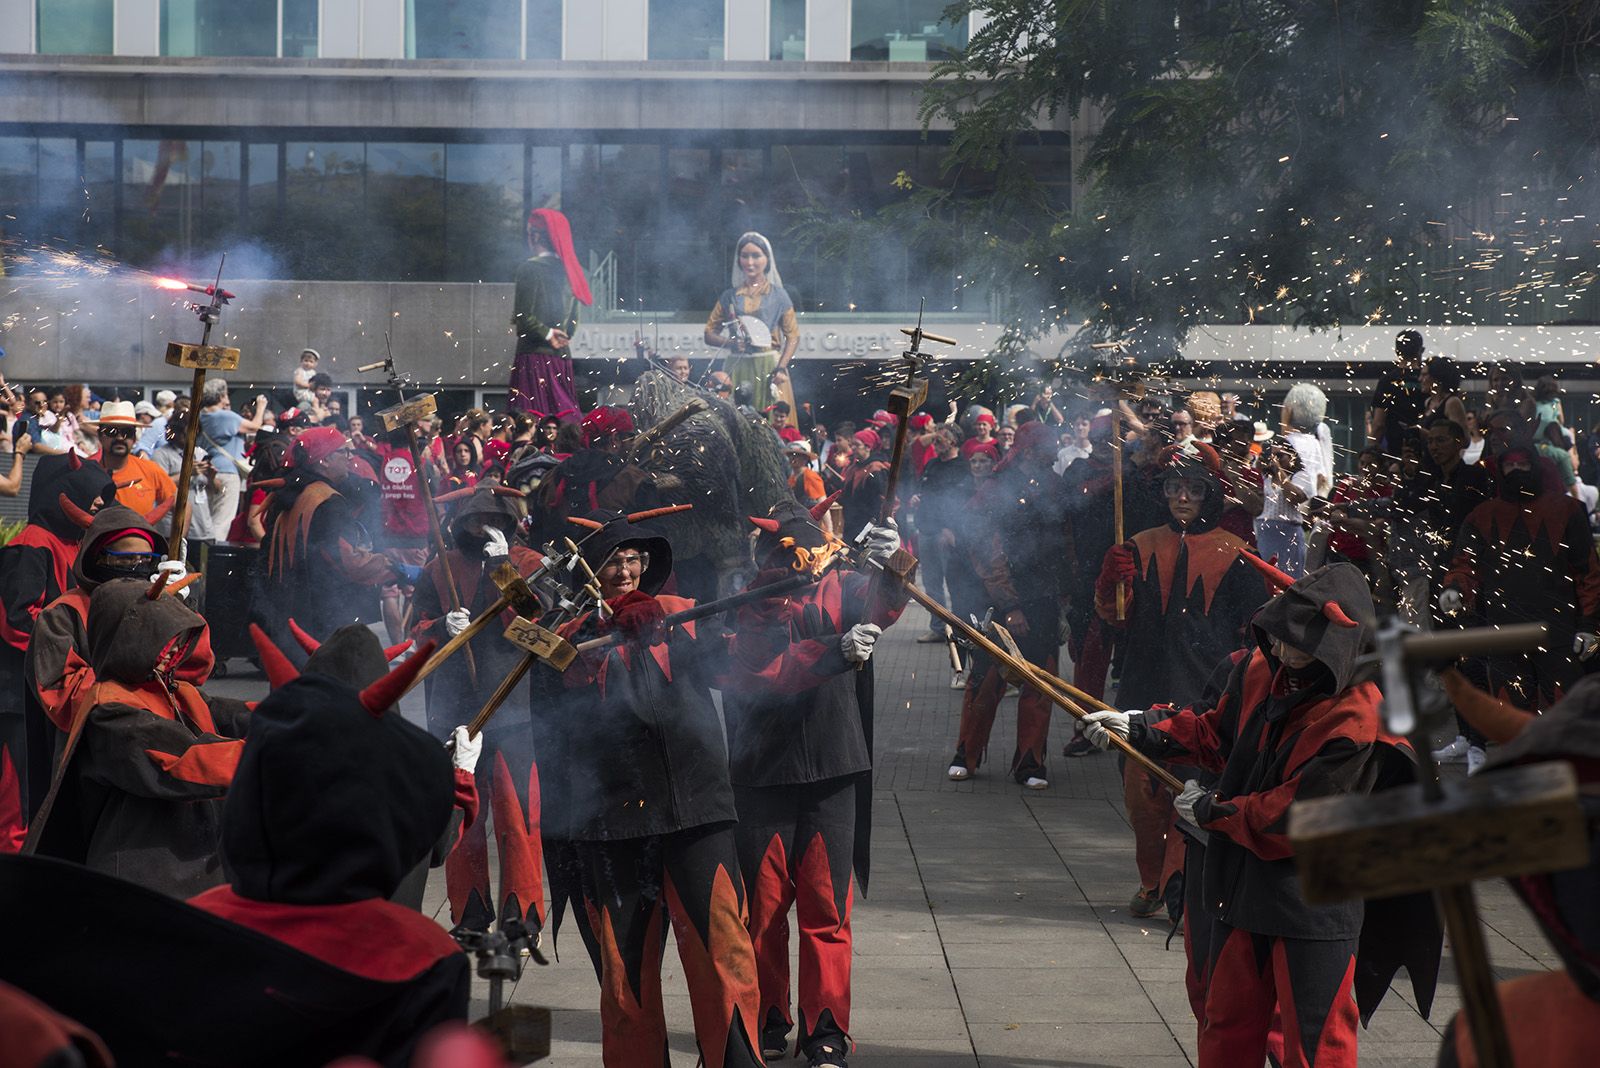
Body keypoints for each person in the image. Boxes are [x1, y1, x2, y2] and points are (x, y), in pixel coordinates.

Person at [1083, 563, 1435, 1068]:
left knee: (1317, 1043)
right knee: (1226, 1025)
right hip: (1242, 887)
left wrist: (1213, 810)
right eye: (1278, 640)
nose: (1284, 655)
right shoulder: (1260, 669)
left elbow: (1302, 814)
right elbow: (1213, 732)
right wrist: (1141, 728)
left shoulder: (1360, 718)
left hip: (1313, 902)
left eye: (1299, 646)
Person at [536, 511, 765, 1067]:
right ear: (588, 571)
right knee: (624, 969)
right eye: (611, 561)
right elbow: (561, 677)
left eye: (633, 560)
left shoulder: (679, 613)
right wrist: (604, 626)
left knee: (725, 953)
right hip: (611, 818)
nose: (623, 571)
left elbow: (737, 658)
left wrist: (766, 600)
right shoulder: (564, 634)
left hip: (697, 809)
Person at [190, 626, 473, 1064]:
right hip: (385, 928)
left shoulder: (204, 921)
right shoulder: (426, 956)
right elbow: (437, 845)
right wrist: (459, 778)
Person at [723, 502, 904, 1066]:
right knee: (764, 911)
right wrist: (830, 648)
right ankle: (768, 1016)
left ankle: (826, 1029)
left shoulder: (842, 585)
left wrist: (893, 559)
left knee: (827, 911)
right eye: (777, 554)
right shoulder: (745, 598)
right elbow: (758, 667)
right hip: (762, 771)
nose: (789, 561)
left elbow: (885, 601)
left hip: (832, 766)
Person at [1092, 447, 1273, 916]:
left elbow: (1254, 632)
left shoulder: (1236, 554)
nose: (1183, 498)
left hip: (1204, 694)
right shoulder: (1138, 542)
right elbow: (1115, 618)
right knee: (1141, 796)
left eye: (1194, 489)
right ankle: (1153, 883)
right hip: (1142, 687)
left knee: (1189, 793)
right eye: (1175, 488)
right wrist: (1112, 582)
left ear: (1210, 494)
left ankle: (1179, 885)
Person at [27, 577, 250, 898]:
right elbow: (183, 760)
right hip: (141, 879)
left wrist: (302, 712)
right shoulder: (110, 707)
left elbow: (234, 715)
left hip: (190, 867)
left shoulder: (170, 689)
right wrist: (267, 755)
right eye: (163, 638)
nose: (174, 648)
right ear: (129, 640)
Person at [411, 486, 545, 943]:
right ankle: (470, 916)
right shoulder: (439, 567)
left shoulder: (526, 563)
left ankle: (522, 920)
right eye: (473, 519)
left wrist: (503, 567)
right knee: (463, 816)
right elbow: (416, 628)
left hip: (510, 706)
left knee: (516, 816)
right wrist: (438, 629)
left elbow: (534, 623)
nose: (481, 528)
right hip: (452, 709)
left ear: (507, 522)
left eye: (492, 519)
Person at [1439, 443, 1600, 770]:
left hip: (1560, 636)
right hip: (1505, 637)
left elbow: (1589, 574)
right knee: (1513, 726)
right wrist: (1455, 588)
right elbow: (1464, 564)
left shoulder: (1568, 511)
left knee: (1566, 724)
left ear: (1536, 466)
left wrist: (1589, 628)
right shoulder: (1482, 516)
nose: (1517, 470)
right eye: (1510, 465)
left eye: (1523, 464)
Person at [23, 505, 184, 812]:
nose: (136, 567)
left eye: (144, 561)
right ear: (98, 559)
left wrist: (177, 617)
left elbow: (192, 671)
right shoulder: (63, 614)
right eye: (125, 561)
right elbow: (62, 692)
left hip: (153, 748)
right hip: (90, 753)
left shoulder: (156, 603)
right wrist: (134, 688)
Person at [0, 453, 116, 850]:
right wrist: (70, 649)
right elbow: (18, 619)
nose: (99, 504)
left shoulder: (69, 542)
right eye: (94, 496)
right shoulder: (30, 545)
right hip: (19, 690)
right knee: (19, 794)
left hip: (47, 685)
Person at [947, 421, 1067, 789]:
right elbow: (985, 549)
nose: (1054, 453)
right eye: (1048, 447)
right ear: (1030, 450)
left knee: (1039, 681)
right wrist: (1010, 604)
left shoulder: (1055, 486)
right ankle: (966, 754)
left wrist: (1064, 602)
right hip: (999, 600)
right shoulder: (996, 489)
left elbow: (1066, 548)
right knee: (985, 678)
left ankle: (1031, 764)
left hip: (1045, 599)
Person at [262, 426, 406, 644]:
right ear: (324, 460)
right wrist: (397, 569)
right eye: (343, 452)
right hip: (321, 615)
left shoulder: (292, 491)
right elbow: (350, 562)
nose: (350, 458)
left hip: (288, 611)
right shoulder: (327, 501)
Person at [704, 231, 800, 412]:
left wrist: (781, 368)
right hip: (737, 366)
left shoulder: (779, 295)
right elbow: (708, 333)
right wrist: (731, 343)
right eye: (745, 256)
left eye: (756, 256)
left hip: (769, 368)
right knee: (735, 416)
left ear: (767, 259)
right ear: (738, 260)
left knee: (770, 416)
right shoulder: (729, 296)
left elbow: (793, 336)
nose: (750, 262)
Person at [510, 208, 592, 418]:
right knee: (564, 419)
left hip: (533, 358)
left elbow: (522, 318)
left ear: (536, 235)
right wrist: (560, 335)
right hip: (561, 360)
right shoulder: (572, 270)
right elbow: (572, 323)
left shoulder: (530, 269)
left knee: (530, 419)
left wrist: (547, 334)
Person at [1254, 383, 1331, 579]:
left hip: (1291, 526)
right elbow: (1323, 480)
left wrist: (1279, 472)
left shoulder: (1294, 445)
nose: (1277, 457)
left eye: (1283, 455)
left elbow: (1298, 493)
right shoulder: (1315, 444)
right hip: (1274, 526)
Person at [197, 379, 267, 539]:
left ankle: (202, 554)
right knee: (222, 520)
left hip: (207, 470)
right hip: (227, 473)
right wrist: (261, 406)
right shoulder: (224, 416)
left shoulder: (201, 416)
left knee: (209, 517)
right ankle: (212, 558)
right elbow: (255, 426)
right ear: (221, 396)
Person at [92, 401, 176, 523]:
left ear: (134, 438)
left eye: (127, 432)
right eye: (112, 432)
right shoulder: (85, 471)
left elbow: (182, 506)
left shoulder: (150, 470)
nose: (120, 438)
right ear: (100, 435)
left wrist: (179, 540)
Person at [1369, 329, 1425, 453]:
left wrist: (1370, 452)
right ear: (1421, 350)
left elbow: (1379, 424)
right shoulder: (1428, 379)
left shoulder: (1387, 381)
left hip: (1397, 452)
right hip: (1428, 450)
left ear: (1397, 351)